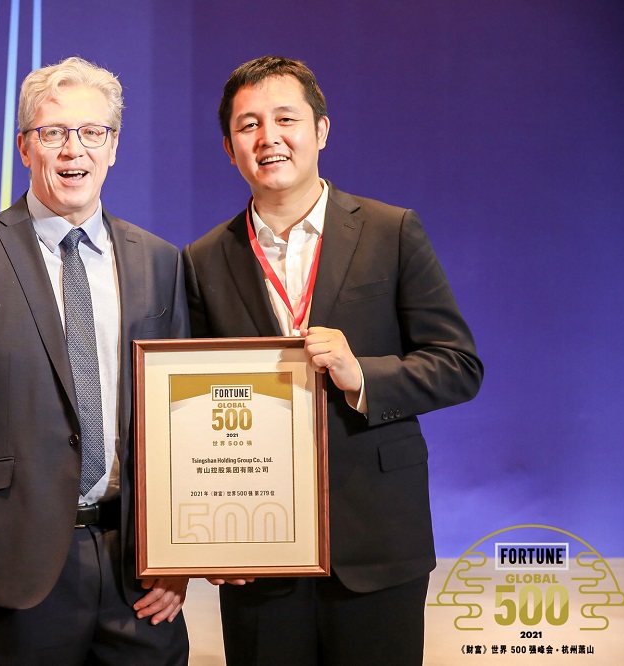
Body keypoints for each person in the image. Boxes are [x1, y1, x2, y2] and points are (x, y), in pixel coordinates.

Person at [182, 55, 484, 665]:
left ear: (321, 130)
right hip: (259, 549)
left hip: (377, 540)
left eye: (285, 119)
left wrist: (363, 374)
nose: (268, 138)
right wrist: (209, 533)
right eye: (248, 125)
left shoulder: (391, 231)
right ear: (229, 149)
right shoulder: (202, 258)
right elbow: (191, 409)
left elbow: (458, 365)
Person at [0, 56, 190, 665]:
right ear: (24, 147)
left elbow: (179, 423)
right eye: (53, 132)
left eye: (92, 132)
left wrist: (181, 553)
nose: (72, 149)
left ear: (113, 147)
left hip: (139, 573)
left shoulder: (160, 261)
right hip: (15, 571)